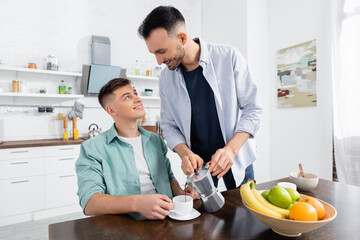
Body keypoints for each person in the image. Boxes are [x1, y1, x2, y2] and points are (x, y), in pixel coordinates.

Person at [138, 6, 262, 190]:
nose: (158, 61)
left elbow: (253, 110)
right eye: (154, 53)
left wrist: (230, 150)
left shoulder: (228, 57)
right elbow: (168, 125)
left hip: (236, 159)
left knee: (244, 216)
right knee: (201, 218)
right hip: (199, 171)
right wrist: (184, 153)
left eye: (162, 51)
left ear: (182, 38)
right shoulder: (166, 78)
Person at [75, 78, 199, 220]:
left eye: (135, 93)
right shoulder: (92, 148)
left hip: (166, 220)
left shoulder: (156, 140)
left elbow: (169, 178)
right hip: (124, 226)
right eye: (127, 97)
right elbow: (89, 202)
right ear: (111, 110)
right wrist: (137, 203)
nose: (138, 99)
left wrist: (181, 194)